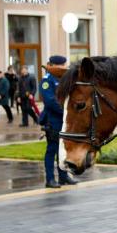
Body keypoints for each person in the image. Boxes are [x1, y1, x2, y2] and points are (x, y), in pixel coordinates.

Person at [40, 56, 77, 188]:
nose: (64, 67)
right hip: (53, 120)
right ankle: (50, 179)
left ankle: (63, 176)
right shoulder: (47, 80)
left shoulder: (63, 79)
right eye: (62, 65)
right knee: (52, 150)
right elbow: (50, 101)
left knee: (63, 150)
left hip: (64, 120)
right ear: (53, 65)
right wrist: (66, 111)